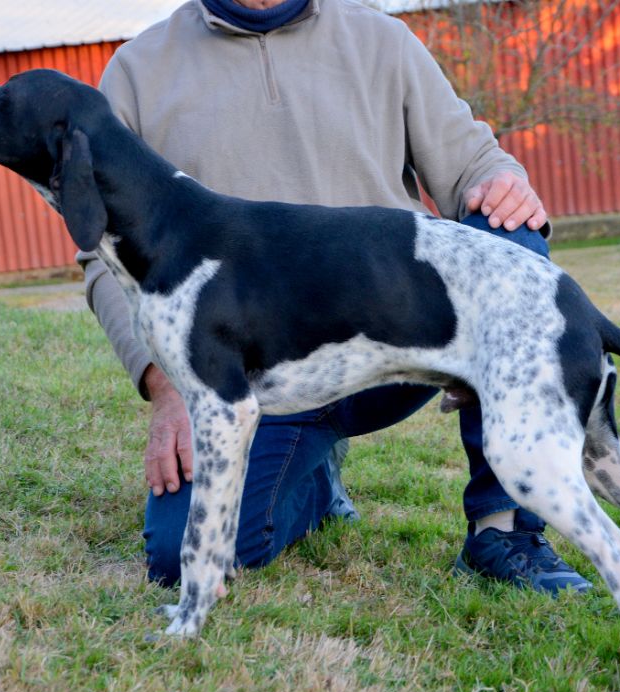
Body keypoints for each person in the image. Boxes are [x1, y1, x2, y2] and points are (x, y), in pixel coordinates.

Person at [78, 0, 592, 595]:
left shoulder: (383, 40)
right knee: (176, 558)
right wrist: (165, 383)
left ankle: (502, 529)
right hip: (252, 375)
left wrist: (505, 184)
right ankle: (314, 488)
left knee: (512, 239)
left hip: (389, 348)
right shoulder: (138, 71)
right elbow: (100, 250)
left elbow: (473, 163)